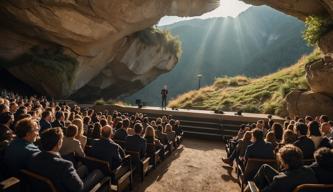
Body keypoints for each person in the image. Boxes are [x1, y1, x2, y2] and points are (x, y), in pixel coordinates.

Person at [28, 128, 104, 192]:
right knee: (98, 172)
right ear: (58, 143)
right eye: (61, 139)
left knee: (84, 168)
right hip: (67, 187)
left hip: (53, 183)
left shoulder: (33, 157)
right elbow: (79, 188)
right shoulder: (65, 165)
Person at [250, 144, 318, 192]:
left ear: (286, 163)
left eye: (281, 161)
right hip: (290, 181)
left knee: (254, 185)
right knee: (265, 167)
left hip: (285, 183)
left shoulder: (280, 180)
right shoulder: (309, 171)